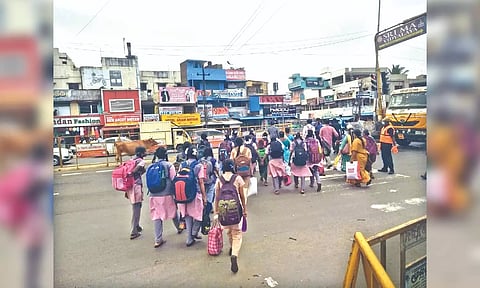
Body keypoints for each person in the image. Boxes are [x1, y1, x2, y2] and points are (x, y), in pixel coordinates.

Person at [213, 159, 247, 273]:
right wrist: (244, 210)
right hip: (235, 209)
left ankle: (232, 247)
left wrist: (216, 212)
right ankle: (234, 254)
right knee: (237, 233)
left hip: (223, 211)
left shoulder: (219, 179)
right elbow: (242, 196)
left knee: (228, 230)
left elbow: (217, 197)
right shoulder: (237, 178)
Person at [149, 147, 183, 248]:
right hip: (166, 193)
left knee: (156, 216)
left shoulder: (152, 165)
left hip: (153, 194)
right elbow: (174, 178)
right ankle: (179, 227)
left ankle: (158, 239)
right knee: (173, 211)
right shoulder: (168, 165)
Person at [177, 147, 207, 247]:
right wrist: (204, 196)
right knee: (199, 214)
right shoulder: (199, 165)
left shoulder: (182, 164)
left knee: (187, 216)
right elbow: (201, 182)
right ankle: (194, 232)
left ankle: (189, 238)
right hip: (195, 192)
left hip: (183, 193)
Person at [126, 146, 147, 240]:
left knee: (138, 205)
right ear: (142, 153)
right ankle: (134, 231)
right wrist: (138, 170)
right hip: (136, 186)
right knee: (136, 208)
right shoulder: (141, 161)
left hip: (130, 186)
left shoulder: (131, 160)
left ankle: (137, 225)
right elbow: (133, 171)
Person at [200, 147, 218, 234]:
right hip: (210, 181)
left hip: (202, 181)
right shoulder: (213, 160)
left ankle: (204, 206)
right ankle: (207, 211)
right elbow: (216, 169)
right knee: (210, 196)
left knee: (204, 195)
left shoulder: (201, 160)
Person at [230, 137, 252, 202]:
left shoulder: (234, 150)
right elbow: (249, 161)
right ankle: (244, 201)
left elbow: (231, 161)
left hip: (237, 171)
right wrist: (251, 171)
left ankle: (239, 199)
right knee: (245, 187)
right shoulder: (247, 150)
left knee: (238, 187)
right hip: (246, 171)